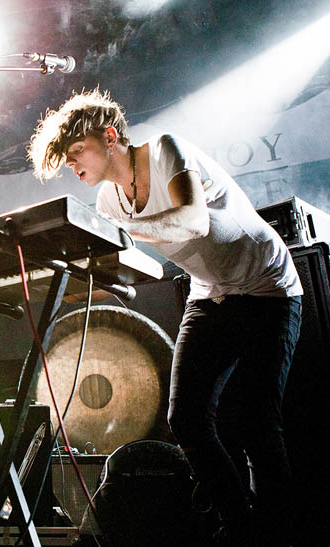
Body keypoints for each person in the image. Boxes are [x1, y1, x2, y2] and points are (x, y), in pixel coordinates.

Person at [28, 89, 302, 545]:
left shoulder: (163, 150)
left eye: (77, 151)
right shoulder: (108, 203)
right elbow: (138, 265)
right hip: (210, 294)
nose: (73, 166)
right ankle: (241, 528)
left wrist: (121, 234)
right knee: (187, 420)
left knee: (258, 423)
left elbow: (192, 221)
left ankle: (279, 532)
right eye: (67, 160)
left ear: (110, 136)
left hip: (266, 286)